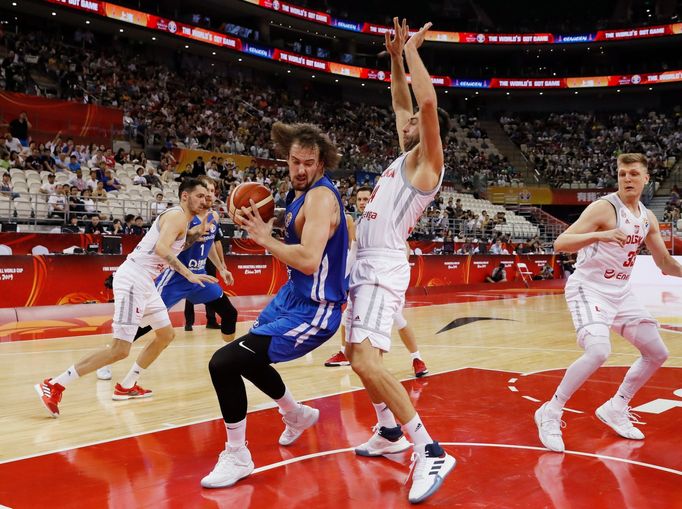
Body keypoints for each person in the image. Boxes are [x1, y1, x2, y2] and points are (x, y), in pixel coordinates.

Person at [201, 122, 348, 489]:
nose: (300, 169)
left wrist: (265, 238)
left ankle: (237, 455)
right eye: (295, 161)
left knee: (224, 362)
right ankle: (295, 414)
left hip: (316, 308)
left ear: (322, 163)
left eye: (308, 162)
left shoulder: (320, 198)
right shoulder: (297, 193)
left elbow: (310, 259)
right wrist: (259, 219)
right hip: (291, 295)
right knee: (248, 356)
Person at [344, 19, 455, 504]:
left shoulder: (427, 164)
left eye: (413, 122)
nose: (404, 120)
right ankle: (388, 432)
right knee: (356, 355)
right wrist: (392, 59)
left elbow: (424, 103)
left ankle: (429, 447)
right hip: (363, 264)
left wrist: (412, 52)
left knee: (367, 359)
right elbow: (400, 101)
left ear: (428, 132)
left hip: (382, 266)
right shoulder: (402, 157)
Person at [35, 178, 217, 417]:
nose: (205, 200)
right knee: (120, 349)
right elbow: (162, 250)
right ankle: (55, 384)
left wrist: (198, 231)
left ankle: (127, 385)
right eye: (200, 196)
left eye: (207, 197)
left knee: (165, 335)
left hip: (145, 282)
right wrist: (189, 274)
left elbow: (175, 246)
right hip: (134, 279)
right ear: (185, 196)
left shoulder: (183, 220)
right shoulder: (176, 216)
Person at [534, 153, 678, 453]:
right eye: (623, 173)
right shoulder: (604, 207)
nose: (627, 178)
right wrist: (602, 234)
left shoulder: (647, 217)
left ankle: (616, 406)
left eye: (634, 174)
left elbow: (664, 262)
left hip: (620, 292)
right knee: (599, 350)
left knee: (657, 352)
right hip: (589, 288)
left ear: (646, 179)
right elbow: (561, 243)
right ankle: (551, 410)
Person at [96, 177, 238, 381]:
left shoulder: (213, 216)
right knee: (144, 324)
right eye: (205, 191)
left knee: (230, 313)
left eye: (212, 191)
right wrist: (197, 233)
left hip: (199, 278)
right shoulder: (186, 217)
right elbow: (177, 247)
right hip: (175, 278)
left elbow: (210, 247)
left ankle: (229, 358)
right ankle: (110, 356)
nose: (209, 195)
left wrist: (222, 268)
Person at [324, 186, 429, 378]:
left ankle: (417, 358)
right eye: (360, 199)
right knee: (347, 314)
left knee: (398, 319)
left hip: (386, 280)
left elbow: (404, 246)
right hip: (362, 280)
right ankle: (344, 352)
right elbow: (353, 254)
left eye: (366, 199)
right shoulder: (357, 224)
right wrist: (341, 280)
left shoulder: (385, 220)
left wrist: (396, 274)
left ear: (373, 200)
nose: (363, 202)